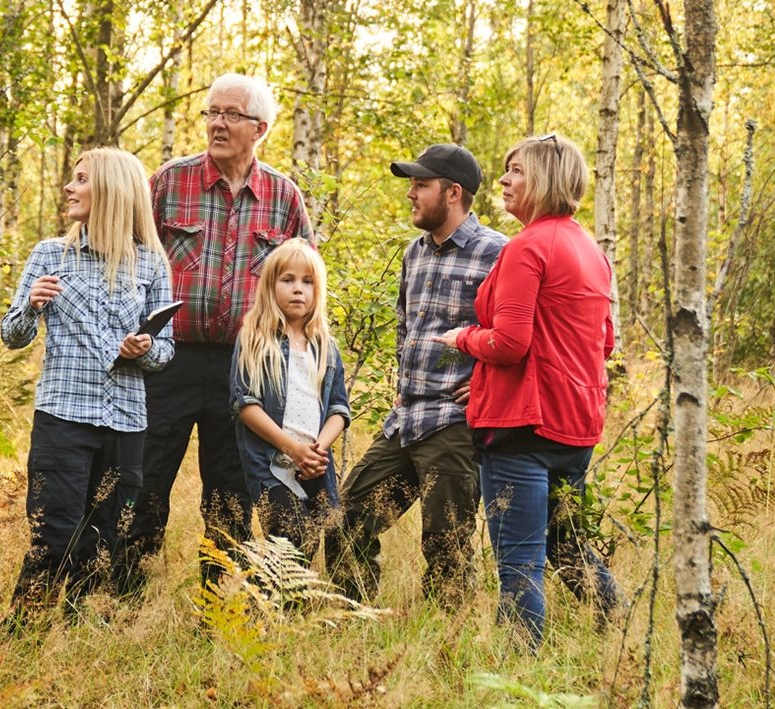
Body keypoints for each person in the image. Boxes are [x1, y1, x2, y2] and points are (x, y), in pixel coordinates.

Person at [116, 73, 315, 595]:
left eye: (231, 114)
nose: (217, 124)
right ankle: (121, 593)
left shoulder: (283, 197)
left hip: (245, 367)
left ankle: (218, 604)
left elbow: (306, 282)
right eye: (211, 112)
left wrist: (297, 364)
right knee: (145, 476)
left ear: (261, 128)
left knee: (230, 490)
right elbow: (128, 265)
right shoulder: (168, 183)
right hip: (168, 359)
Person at [435, 133, 621, 648]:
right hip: (576, 426)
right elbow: (601, 344)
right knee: (568, 546)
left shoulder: (527, 248)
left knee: (518, 561)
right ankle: (620, 634)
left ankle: (520, 669)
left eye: (515, 170)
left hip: (521, 430)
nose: (503, 180)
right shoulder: (591, 250)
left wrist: (462, 339)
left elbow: (511, 343)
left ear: (543, 179)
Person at [324, 143, 507, 604]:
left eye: (420, 185)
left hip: (454, 426)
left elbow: (520, 335)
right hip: (406, 420)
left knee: (446, 546)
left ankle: (449, 649)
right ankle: (354, 622)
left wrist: (487, 385)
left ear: (453, 193)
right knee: (345, 520)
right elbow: (407, 327)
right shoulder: (414, 253)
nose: (411, 193)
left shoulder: (498, 254)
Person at [0, 147, 173, 619]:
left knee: (104, 539)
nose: (69, 188)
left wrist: (144, 350)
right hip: (63, 420)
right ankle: (23, 638)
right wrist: (31, 305)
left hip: (126, 422)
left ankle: (82, 646)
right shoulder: (49, 255)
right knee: (53, 534)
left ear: (112, 191)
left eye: (80, 180)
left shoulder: (152, 264)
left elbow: (165, 352)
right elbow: (12, 337)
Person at [230, 240, 349, 559]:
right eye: (288, 280)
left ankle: (303, 609)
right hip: (272, 463)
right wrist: (292, 449)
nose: (299, 290)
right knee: (290, 535)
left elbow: (339, 408)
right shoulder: (254, 340)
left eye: (307, 282)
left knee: (321, 537)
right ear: (271, 286)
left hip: (314, 463)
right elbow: (247, 406)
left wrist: (317, 451)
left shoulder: (326, 346)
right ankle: (267, 608)